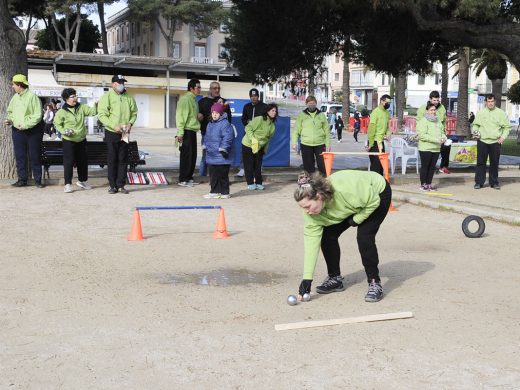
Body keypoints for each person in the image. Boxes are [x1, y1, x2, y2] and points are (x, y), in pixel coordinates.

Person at [294, 170, 391, 303]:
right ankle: (335, 279)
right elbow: (311, 244)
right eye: (303, 208)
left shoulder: (345, 191)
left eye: (308, 206)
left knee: (364, 236)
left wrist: (357, 219)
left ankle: (374, 282)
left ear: (318, 196)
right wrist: (307, 279)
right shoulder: (311, 214)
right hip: (351, 204)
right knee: (327, 235)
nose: (307, 212)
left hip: (377, 194)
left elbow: (373, 201)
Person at [98, 74, 138, 194]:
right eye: (119, 82)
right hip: (112, 132)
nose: (121, 85)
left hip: (125, 131)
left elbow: (134, 112)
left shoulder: (129, 97)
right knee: (112, 158)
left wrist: (130, 123)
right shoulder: (107, 97)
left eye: (123, 82)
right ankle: (112, 185)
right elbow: (102, 115)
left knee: (123, 158)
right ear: (113, 84)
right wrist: (112, 126)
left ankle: (121, 184)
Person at [53, 88, 97, 193]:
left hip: (81, 139)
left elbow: (93, 112)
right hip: (68, 140)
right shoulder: (61, 112)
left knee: (83, 161)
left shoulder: (81, 107)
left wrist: (97, 104)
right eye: (73, 96)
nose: (75, 98)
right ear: (66, 99)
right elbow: (57, 124)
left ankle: (82, 181)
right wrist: (64, 131)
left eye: (76, 96)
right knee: (68, 162)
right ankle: (67, 184)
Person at [5, 74, 44, 188]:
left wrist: (26, 125)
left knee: (34, 155)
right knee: (20, 156)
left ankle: (38, 180)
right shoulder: (15, 97)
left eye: (13, 84)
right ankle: (22, 180)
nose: (12, 87)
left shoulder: (33, 97)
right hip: (17, 131)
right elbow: (10, 111)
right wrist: (10, 120)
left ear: (19, 85)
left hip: (33, 131)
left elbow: (38, 115)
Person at [472, 94, 511, 190]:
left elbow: (507, 127)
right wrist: (475, 132)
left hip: (495, 142)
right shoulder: (481, 113)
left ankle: (494, 182)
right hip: (482, 141)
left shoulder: (501, 113)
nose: (490, 103)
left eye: (492, 101)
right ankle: (479, 183)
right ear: (486, 102)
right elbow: (476, 125)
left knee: (494, 163)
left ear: (495, 102)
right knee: (481, 163)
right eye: (488, 102)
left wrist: (503, 137)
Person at [198, 81, 232, 177]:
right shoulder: (202, 102)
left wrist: (222, 107)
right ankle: (202, 177)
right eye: (214, 88)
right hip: (207, 135)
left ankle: (219, 177)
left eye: (218, 88)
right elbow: (199, 117)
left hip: (221, 136)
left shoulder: (224, 102)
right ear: (210, 89)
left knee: (221, 157)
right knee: (206, 156)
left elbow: (228, 119)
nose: (217, 90)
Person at [241, 103, 278, 190]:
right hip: (248, 144)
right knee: (249, 165)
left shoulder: (272, 126)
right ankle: (250, 183)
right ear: (267, 111)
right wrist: (252, 140)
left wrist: (265, 149)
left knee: (258, 165)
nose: (274, 112)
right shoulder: (259, 119)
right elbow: (248, 128)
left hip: (259, 147)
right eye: (272, 110)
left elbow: (268, 139)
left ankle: (259, 182)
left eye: (275, 111)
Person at [202, 103, 235, 199]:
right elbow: (207, 136)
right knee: (213, 175)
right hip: (212, 154)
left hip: (221, 155)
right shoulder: (209, 124)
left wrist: (223, 148)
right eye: (213, 113)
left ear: (221, 113)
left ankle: (225, 192)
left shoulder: (225, 124)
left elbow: (228, 137)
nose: (214, 115)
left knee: (222, 175)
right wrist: (205, 145)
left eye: (216, 113)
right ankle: (215, 191)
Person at [291, 95, 330, 176]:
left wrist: (328, 144)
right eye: (309, 103)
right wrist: (294, 142)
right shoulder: (302, 115)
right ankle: (310, 182)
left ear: (316, 103)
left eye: (313, 103)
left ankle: (324, 182)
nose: (311, 105)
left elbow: (327, 131)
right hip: (306, 144)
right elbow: (296, 130)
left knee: (322, 165)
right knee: (308, 166)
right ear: (306, 104)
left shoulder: (321, 115)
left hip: (320, 144)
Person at [176, 78, 202, 187]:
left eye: (200, 87)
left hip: (192, 130)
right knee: (186, 156)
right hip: (186, 131)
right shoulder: (185, 99)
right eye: (198, 87)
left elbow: (192, 116)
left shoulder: (194, 100)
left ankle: (189, 177)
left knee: (192, 156)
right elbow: (180, 117)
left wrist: (198, 117)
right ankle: (182, 179)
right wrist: (180, 133)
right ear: (191, 88)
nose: (200, 89)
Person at [416, 91, 450, 174]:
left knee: (446, 148)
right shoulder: (423, 108)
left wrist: (444, 133)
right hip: (428, 136)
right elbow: (419, 121)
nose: (436, 102)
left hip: (440, 134)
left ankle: (443, 166)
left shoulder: (442, 108)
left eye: (438, 100)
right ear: (430, 99)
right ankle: (427, 170)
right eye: (434, 100)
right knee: (428, 157)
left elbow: (444, 121)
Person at [416, 102, 445, 191]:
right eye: (431, 110)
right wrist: (436, 140)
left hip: (436, 148)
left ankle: (429, 184)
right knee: (425, 166)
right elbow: (422, 135)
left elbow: (442, 131)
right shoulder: (423, 121)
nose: (433, 112)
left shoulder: (438, 120)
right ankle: (423, 184)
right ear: (427, 111)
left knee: (432, 167)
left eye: (434, 110)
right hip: (425, 148)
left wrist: (444, 138)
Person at [240, 88, 268, 177]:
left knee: (258, 151)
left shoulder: (264, 106)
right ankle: (243, 168)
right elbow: (243, 119)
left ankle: (258, 168)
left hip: (259, 133)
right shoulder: (246, 106)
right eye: (252, 96)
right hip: (249, 132)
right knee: (245, 150)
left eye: (255, 96)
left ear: (258, 96)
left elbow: (266, 119)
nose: (254, 98)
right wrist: (247, 122)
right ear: (250, 97)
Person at [367, 95, 392, 176]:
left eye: (389, 103)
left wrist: (388, 133)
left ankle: (381, 184)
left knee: (381, 165)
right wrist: (370, 144)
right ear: (382, 101)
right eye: (387, 102)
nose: (388, 104)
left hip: (381, 142)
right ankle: (374, 184)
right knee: (375, 166)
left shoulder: (387, 113)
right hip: (374, 142)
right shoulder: (375, 112)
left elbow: (388, 126)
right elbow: (371, 129)